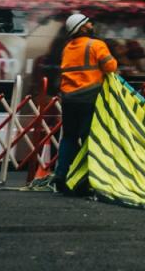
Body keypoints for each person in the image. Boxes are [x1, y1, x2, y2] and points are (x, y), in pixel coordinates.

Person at [39, 13, 117, 193]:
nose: (91, 25)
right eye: (88, 23)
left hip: (69, 99)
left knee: (69, 137)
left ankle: (61, 174)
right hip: (89, 98)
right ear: (82, 28)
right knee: (89, 138)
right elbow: (111, 67)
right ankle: (84, 179)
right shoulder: (96, 45)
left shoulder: (68, 48)